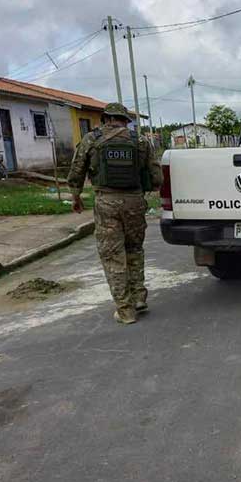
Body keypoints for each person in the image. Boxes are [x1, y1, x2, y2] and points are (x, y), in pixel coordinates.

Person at [67, 102, 161, 324]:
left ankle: (125, 310)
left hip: (106, 204)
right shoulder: (140, 141)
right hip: (135, 203)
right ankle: (138, 297)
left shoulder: (92, 139)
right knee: (134, 250)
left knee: (113, 256)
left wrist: (76, 196)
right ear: (125, 120)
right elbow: (156, 178)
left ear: (105, 118)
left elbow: (77, 170)